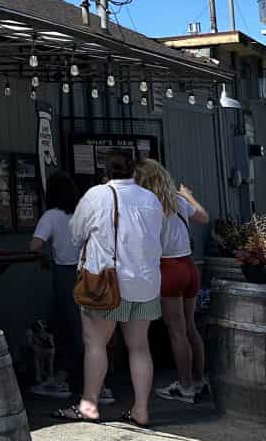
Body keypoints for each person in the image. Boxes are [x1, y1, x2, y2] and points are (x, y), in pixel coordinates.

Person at [55, 156, 163, 427]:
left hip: (106, 282)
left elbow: (75, 233)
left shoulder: (97, 195)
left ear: (105, 172)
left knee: (96, 343)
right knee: (139, 347)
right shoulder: (151, 199)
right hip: (146, 281)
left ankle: (89, 406)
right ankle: (141, 410)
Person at [29, 171, 111, 400]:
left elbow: (35, 245)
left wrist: (45, 258)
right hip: (89, 272)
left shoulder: (52, 216)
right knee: (83, 328)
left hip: (65, 274)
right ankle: (78, 379)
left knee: (68, 328)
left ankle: (87, 384)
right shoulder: (83, 214)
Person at [135, 160, 210, 403]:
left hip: (168, 269)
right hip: (189, 266)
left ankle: (185, 386)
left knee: (176, 331)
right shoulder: (178, 201)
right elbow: (204, 217)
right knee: (190, 327)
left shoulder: (146, 207)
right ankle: (199, 381)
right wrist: (188, 195)